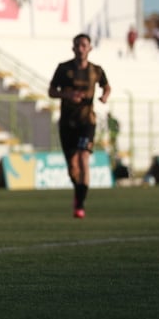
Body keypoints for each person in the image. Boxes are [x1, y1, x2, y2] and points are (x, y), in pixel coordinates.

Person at [48, 33, 111, 218]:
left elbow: (106, 86)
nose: (81, 48)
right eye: (78, 45)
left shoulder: (96, 70)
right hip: (67, 123)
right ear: (73, 48)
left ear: (90, 48)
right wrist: (67, 95)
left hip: (87, 122)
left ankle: (80, 205)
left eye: (84, 45)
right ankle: (79, 194)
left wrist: (105, 96)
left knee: (83, 159)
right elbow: (51, 91)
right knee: (73, 167)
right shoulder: (63, 69)